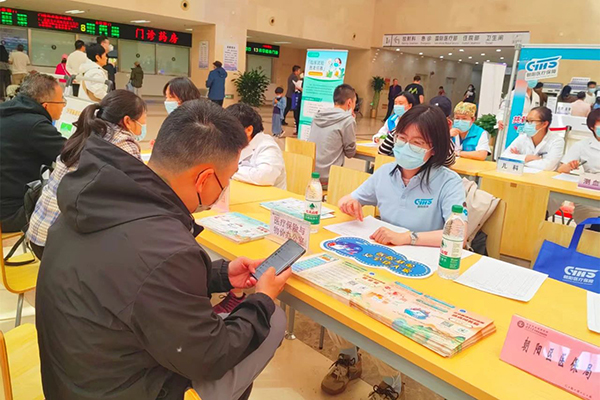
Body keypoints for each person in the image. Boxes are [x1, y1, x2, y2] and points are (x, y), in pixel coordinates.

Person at [36, 99, 290, 400]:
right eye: (227, 179)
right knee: (272, 320)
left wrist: (221, 275)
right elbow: (211, 356)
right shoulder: (167, 247)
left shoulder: (94, 199)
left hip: (75, 378)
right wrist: (262, 299)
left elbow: (134, 279)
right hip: (128, 389)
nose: (225, 188)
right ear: (204, 179)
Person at [328, 105, 465, 398]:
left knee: (388, 320)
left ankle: (391, 382)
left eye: (417, 142)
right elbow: (352, 198)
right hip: (380, 262)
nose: (406, 146)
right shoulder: (385, 173)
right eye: (402, 138)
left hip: (421, 273)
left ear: (433, 149)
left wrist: (408, 237)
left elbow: (456, 233)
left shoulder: (447, 182)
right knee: (335, 293)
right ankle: (348, 357)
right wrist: (349, 202)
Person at [26, 90, 146, 258]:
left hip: (39, 234)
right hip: (61, 246)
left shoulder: (86, 131)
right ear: (127, 121)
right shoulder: (122, 142)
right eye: (142, 122)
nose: (142, 127)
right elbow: (142, 190)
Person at [0, 73, 66, 232]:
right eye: (61, 100)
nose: (64, 105)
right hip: (13, 212)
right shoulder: (35, 126)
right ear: (46, 105)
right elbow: (73, 155)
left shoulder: (7, 111)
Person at [226, 103, 286, 190]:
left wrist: (228, 170)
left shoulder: (268, 146)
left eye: (230, 130)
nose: (226, 134)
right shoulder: (233, 144)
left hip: (267, 196)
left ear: (249, 130)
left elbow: (265, 176)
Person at [554, 109, 600, 223]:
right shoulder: (582, 146)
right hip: (590, 197)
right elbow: (561, 170)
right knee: (592, 224)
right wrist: (570, 166)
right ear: (592, 127)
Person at [307, 84, 357, 186]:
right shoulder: (347, 120)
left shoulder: (317, 116)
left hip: (308, 173)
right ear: (349, 102)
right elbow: (350, 153)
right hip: (329, 177)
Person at [501, 106, 564, 171]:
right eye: (526, 121)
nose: (527, 124)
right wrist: (527, 157)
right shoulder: (523, 137)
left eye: (531, 121)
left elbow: (547, 167)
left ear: (544, 124)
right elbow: (504, 157)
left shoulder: (557, 141)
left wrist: (519, 160)